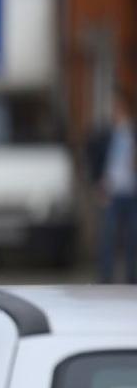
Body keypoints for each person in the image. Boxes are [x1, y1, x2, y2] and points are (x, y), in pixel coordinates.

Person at [88, 85, 137, 284]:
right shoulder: (105, 133)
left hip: (132, 192)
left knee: (133, 237)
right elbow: (95, 157)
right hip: (112, 191)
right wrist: (97, 184)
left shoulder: (132, 132)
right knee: (108, 236)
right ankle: (105, 278)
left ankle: (132, 278)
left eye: (118, 106)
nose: (114, 111)